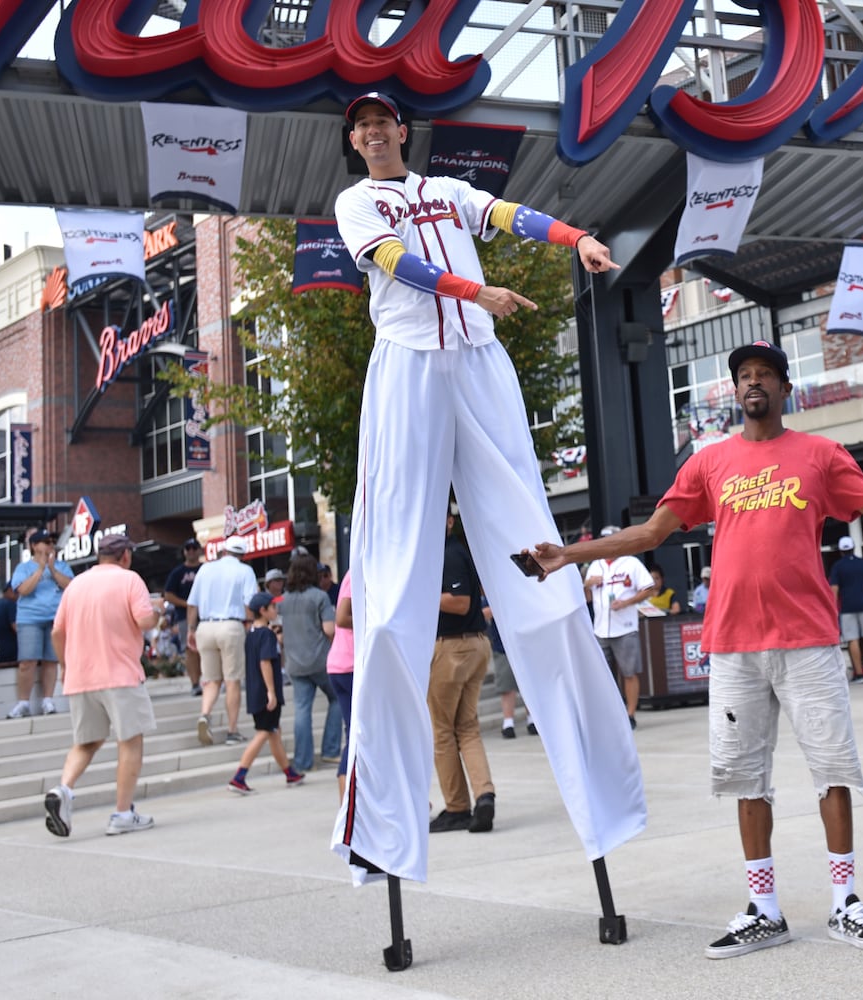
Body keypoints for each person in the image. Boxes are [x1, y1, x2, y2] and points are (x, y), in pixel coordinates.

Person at [524, 339, 863, 959]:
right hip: (732, 645)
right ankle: (764, 908)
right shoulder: (709, 463)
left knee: (832, 770)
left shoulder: (821, 455)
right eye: (744, 376)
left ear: (785, 389)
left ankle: (845, 900)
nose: (753, 383)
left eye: (765, 375)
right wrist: (568, 554)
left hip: (807, 639)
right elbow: (652, 532)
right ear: (737, 392)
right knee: (744, 778)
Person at [333, 87, 641, 886]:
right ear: (355, 140)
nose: (371, 132)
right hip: (407, 363)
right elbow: (396, 266)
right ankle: (380, 820)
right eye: (359, 125)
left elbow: (511, 216)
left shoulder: (445, 191)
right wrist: (481, 292)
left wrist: (577, 239)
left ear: (402, 129)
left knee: (531, 545)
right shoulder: (356, 202)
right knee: (395, 563)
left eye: (381, 121)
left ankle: (598, 781)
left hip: (477, 359)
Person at [43, 534, 160, 837]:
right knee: (130, 740)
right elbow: (145, 621)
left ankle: (63, 789)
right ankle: (122, 813)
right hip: (120, 674)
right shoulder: (130, 580)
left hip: (81, 676)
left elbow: (57, 632)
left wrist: (65, 665)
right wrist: (157, 611)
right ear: (124, 556)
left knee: (86, 742)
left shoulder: (76, 585)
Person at [429, 519, 497, 833]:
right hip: (474, 645)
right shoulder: (456, 551)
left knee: (442, 731)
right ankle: (484, 795)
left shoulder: (447, 553)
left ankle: (457, 807)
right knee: (466, 726)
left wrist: (420, 589)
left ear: (449, 521)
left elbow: (459, 603)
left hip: (453, 648)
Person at [228, 591, 306, 794]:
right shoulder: (267, 635)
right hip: (266, 692)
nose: (276, 609)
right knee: (264, 732)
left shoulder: (252, 634)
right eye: (272, 606)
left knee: (273, 732)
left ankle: (289, 773)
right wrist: (271, 692)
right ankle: (239, 776)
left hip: (255, 691)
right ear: (263, 610)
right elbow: (265, 663)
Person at [186, 536, 260, 746]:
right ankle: (232, 730)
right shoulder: (245, 571)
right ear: (242, 555)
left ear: (224, 551)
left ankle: (205, 714)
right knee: (232, 680)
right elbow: (250, 603)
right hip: (231, 626)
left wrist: (191, 630)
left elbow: (192, 604)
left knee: (210, 680)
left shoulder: (205, 569)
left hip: (205, 626)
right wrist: (253, 624)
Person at [585, 525, 658, 727]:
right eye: (604, 539)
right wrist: (587, 583)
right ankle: (610, 715)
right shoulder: (595, 565)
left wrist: (626, 602)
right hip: (600, 628)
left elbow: (649, 588)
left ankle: (630, 714)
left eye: (610, 539)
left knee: (629, 672)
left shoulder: (631, 563)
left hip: (625, 627)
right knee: (603, 676)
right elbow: (585, 595)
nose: (607, 543)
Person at [278, 553, 342, 773]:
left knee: (302, 710)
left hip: (294, 664)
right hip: (320, 660)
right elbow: (329, 629)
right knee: (337, 699)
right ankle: (331, 750)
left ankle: (303, 762)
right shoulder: (320, 597)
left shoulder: (283, 600)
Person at [10, 529, 73, 718]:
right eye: (45, 542)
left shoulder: (62, 566)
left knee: (51, 660)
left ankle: (48, 700)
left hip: (56, 617)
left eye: (52, 542)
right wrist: (40, 569)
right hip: (30, 618)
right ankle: (23, 702)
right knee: (27, 661)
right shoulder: (23, 568)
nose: (50, 545)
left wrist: (52, 569)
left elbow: (71, 586)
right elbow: (23, 590)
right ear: (34, 546)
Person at [827, 535, 863, 683]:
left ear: (841, 551)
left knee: (853, 640)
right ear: (853, 548)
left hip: (847, 607)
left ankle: (858, 672)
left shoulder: (837, 567)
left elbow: (834, 588)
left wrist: (833, 608)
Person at [483, 597, 535, 739]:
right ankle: (508, 722)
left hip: (523, 642)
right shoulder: (491, 592)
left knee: (528, 684)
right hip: (502, 645)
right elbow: (484, 613)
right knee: (506, 686)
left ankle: (532, 719)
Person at [161, 539, 204, 692]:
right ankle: (195, 683)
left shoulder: (205, 569)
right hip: (185, 616)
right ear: (184, 551)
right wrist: (188, 604)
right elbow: (168, 595)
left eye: (194, 548)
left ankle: (212, 680)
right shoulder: (178, 573)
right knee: (190, 649)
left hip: (206, 615)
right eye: (188, 548)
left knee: (209, 648)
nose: (191, 551)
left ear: (199, 550)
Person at [329, 570, 357, 790]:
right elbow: (341, 617)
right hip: (349, 665)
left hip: (346, 664)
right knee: (356, 735)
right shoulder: (357, 572)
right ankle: (345, 807)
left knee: (360, 735)